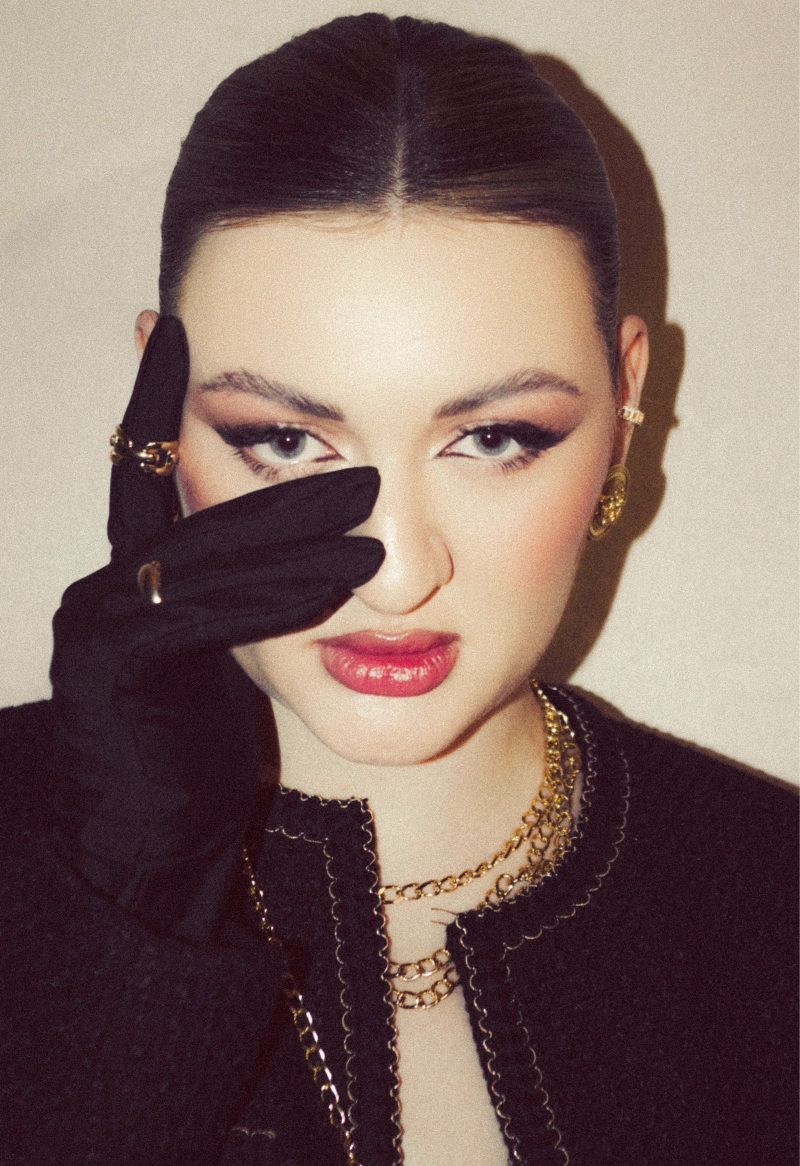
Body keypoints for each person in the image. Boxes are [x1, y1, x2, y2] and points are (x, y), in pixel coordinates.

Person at [1, 13, 796, 1166]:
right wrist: (121, 917)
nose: (401, 569)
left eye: (494, 437)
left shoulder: (771, 899)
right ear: (155, 410)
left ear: (626, 403)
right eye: (282, 439)